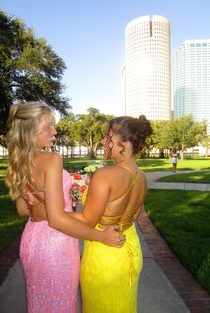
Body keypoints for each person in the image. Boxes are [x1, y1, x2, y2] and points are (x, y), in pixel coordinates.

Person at [5, 101, 124, 313]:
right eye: (48, 126)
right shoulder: (51, 159)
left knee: (39, 304)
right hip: (55, 245)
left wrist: (50, 201)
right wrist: (101, 236)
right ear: (31, 130)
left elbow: (23, 210)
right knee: (60, 305)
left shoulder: (19, 160)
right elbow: (57, 219)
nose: (55, 131)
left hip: (31, 241)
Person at [72, 115, 153, 313]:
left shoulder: (105, 174)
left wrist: (53, 210)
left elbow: (87, 221)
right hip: (130, 250)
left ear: (124, 143)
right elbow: (135, 215)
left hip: (105, 258)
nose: (102, 141)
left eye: (107, 137)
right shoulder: (142, 176)